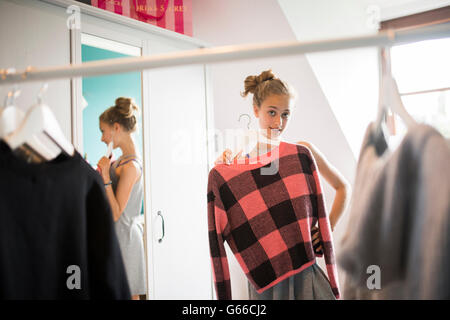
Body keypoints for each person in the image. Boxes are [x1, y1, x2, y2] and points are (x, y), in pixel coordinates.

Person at [214, 69, 351, 299]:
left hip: (304, 272)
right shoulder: (240, 161)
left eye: (286, 114)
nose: (279, 122)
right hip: (265, 279)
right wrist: (224, 166)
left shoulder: (302, 154)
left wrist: (327, 228)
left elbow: (342, 187)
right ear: (256, 110)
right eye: (272, 112)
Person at [97, 97, 146, 300]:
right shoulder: (120, 161)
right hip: (117, 238)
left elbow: (116, 212)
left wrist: (106, 176)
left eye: (103, 131)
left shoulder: (131, 167)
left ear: (116, 127)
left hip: (126, 240)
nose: (102, 138)